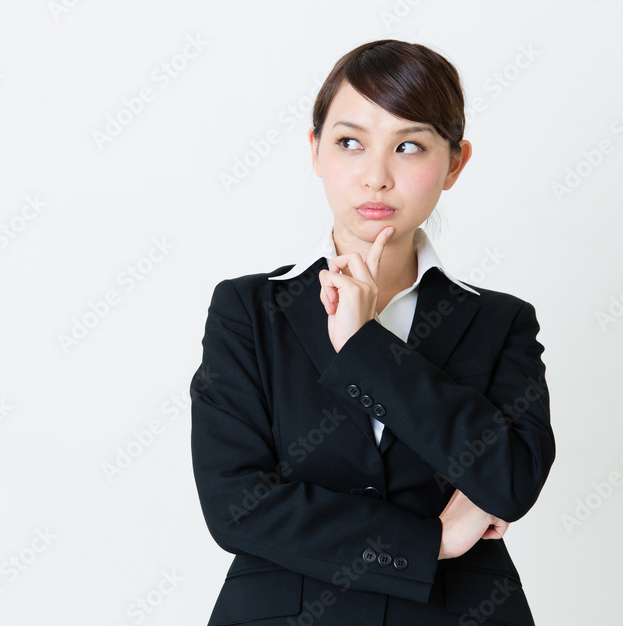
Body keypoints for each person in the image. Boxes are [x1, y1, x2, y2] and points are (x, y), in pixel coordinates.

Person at [189, 39, 555, 626]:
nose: (376, 176)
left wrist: (365, 347)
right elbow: (235, 506)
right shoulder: (247, 309)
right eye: (350, 143)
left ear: (455, 162)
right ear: (315, 152)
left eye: (409, 145)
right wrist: (430, 540)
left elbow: (510, 477)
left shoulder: (501, 320)